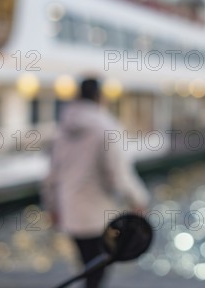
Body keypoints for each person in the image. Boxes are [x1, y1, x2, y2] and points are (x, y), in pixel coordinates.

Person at [43, 77, 150, 288]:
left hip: (70, 212)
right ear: (100, 97)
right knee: (98, 273)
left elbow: (52, 176)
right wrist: (139, 200)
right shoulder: (106, 126)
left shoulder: (62, 128)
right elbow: (118, 175)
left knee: (86, 266)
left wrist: (52, 206)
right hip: (97, 216)